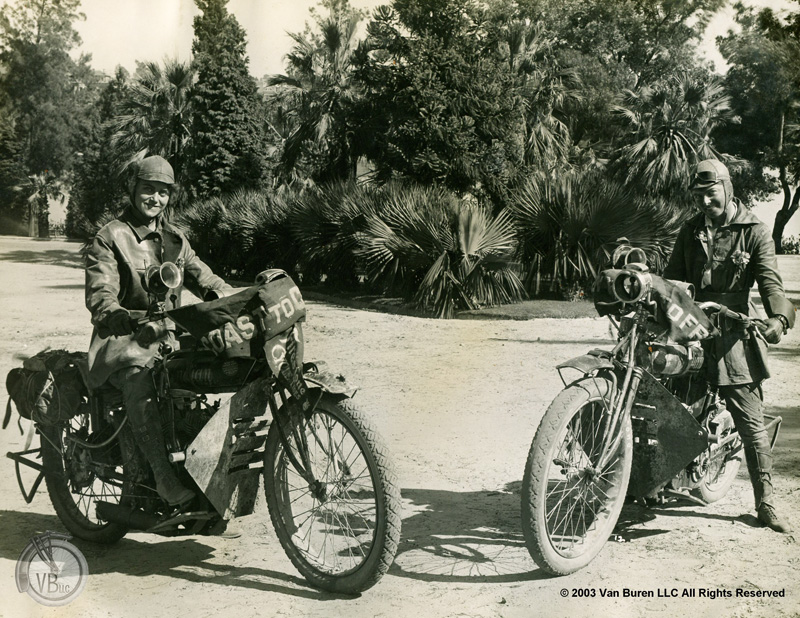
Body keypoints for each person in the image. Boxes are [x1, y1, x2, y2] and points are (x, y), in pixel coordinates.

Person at [85, 156, 231, 507]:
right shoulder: (110, 237)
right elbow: (101, 294)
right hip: (123, 339)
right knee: (139, 379)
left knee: (219, 368)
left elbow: (204, 278)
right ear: (132, 189)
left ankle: (206, 468)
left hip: (171, 336)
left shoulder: (176, 239)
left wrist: (228, 298)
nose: (155, 199)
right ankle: (163, 479)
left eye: (163, 192)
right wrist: (117, 314)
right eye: (148, 189)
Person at [664, 158, 796, 533]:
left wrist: (778, 318)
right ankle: (655, 481)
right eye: (699, 196)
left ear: (727, 188)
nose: (705, 202)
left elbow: (770, 283)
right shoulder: (690, 230)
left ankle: (766, 502)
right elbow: (673, 278)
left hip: (733, 330)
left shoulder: (754, 230)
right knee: (668, 399)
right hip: (691, 323)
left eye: (711, 194)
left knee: (749, 416)